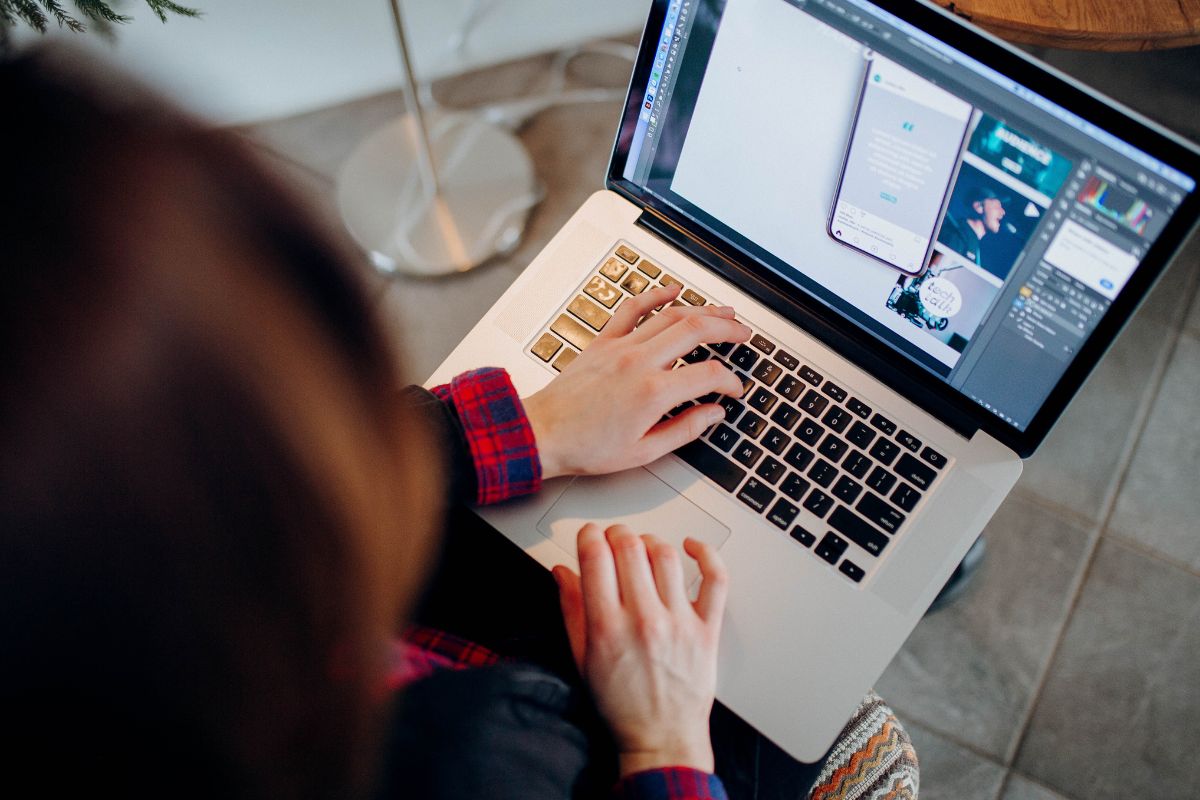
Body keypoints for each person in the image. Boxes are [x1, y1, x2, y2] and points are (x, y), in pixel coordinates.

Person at [0, 50, 917, 799]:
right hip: (598, 729)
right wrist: (662, 739)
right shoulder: (477, 765)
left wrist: (542, 424)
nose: (371, 421)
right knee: (801, 714)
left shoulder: (98, 625)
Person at [936, 185, 1008, 271]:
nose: (1003, 212)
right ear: (979, 207)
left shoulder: (971, 240)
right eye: (996, 207)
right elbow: (936, 270)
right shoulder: (958, 235)